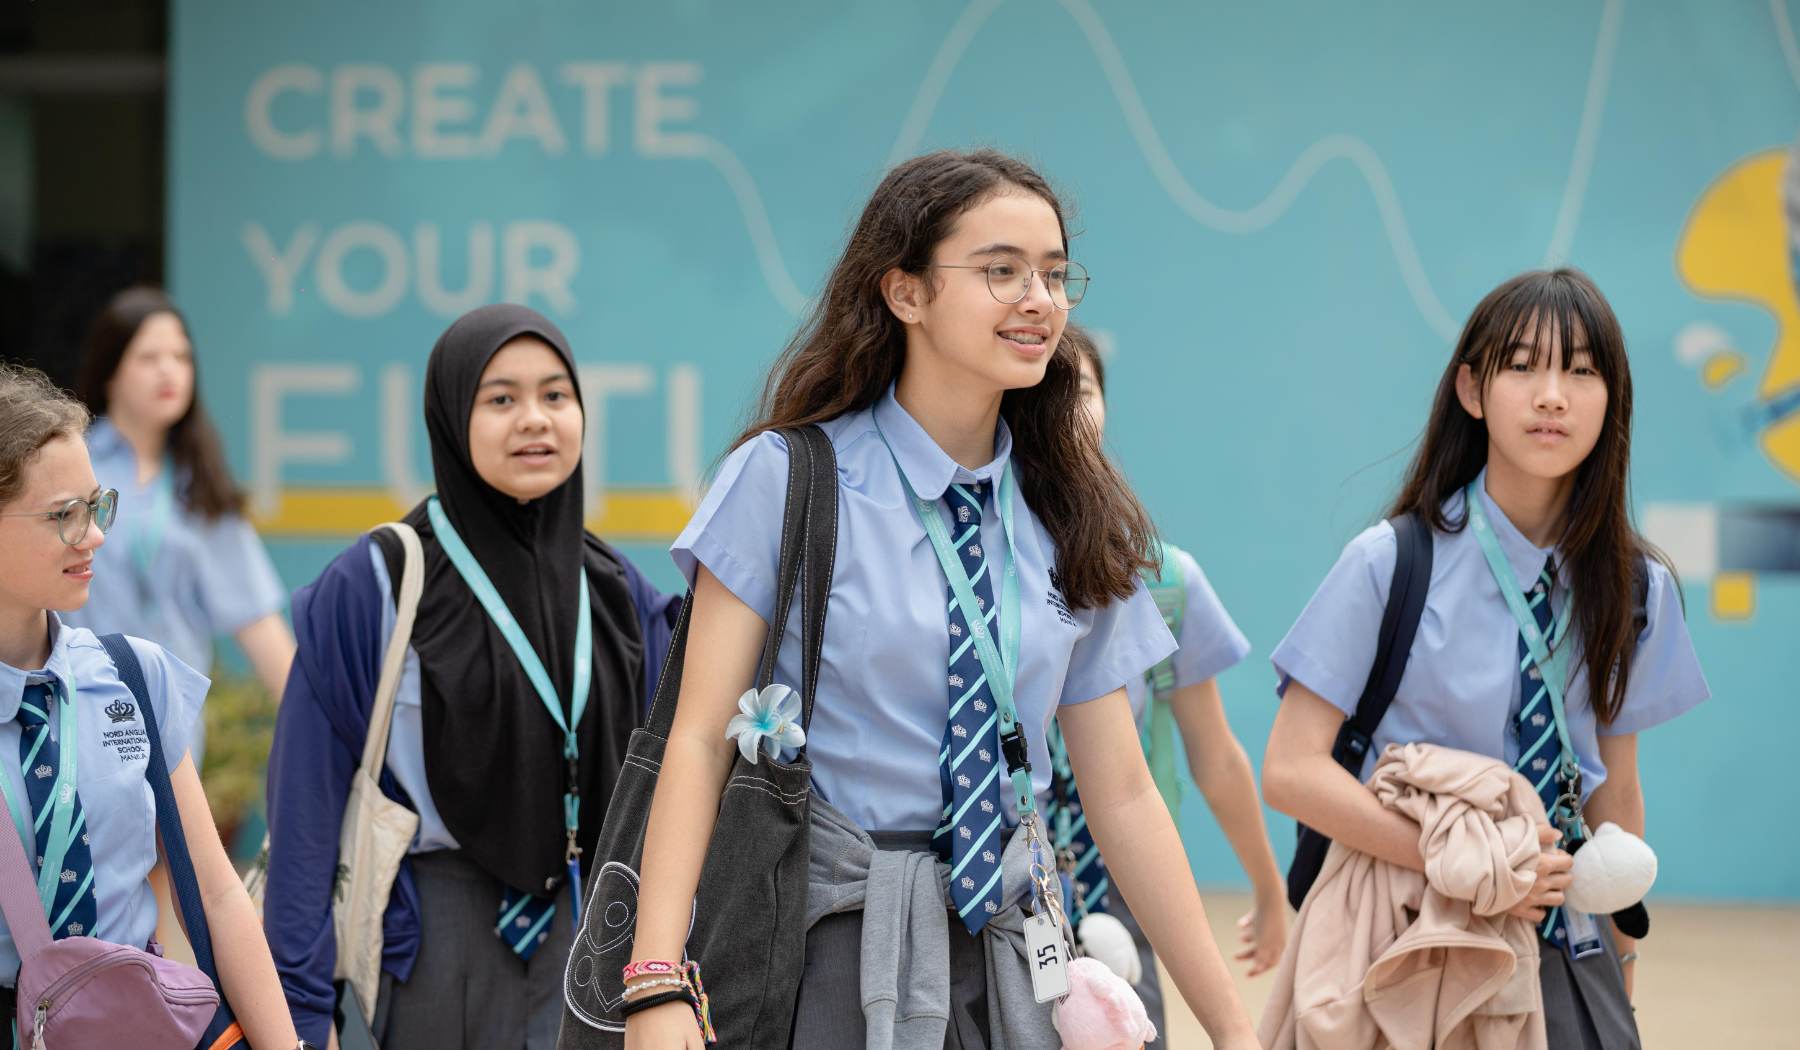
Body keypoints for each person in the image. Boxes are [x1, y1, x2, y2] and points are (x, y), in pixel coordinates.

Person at [623, 149, 1259, 1049]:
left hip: (1011, 949)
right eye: (1001, 270)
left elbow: (1122, 794)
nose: (1039, 298)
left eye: (1053, 273)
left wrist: (1232, 1028)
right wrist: (656, 982)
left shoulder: (1069, 508)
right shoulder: (789, 479)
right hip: (828, 950)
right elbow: (696, 740)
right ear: (905, 293)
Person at [1260, 269, 1710, 1047]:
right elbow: (1291, 769)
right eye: (1523, 366)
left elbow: (1617, 788)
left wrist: (1623, 969)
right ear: (1472, 389)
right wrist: (1466, 864)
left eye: (1581, 370)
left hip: (1566, 939)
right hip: (1409, 940)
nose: (1552, 396)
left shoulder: (1639, 587)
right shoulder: (1390, 562)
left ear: (1613, 398)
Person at [262, 305, 679, 1050]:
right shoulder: (379, 582)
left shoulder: (614, 589)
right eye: (501, 399)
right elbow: (305, 808)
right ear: (453, 416)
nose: (535, 420)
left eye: (556, 395)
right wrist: (299, 1013)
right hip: (436, 943)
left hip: (590, 936)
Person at [0, 362, 301, 1047]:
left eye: (97, 506)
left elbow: (220, 897)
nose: (94, 535)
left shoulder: (133, 676)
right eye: (62, 516)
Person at [1058, 326, 1286, 1040]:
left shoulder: (1162, 581)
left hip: (1124, 894)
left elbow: (1214, 756)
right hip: (1000, 892)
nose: (1066, 403)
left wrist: (1269, 888)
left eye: (1084, 389)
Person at [66, 286, 295, 758]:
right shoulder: (70, 461)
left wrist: (327, 732)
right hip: (68, 723)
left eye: (182, 357)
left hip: (170, 744)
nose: (169, 371)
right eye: (149, 357)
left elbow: (259, 625)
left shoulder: (200, 486)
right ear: (111, 370)